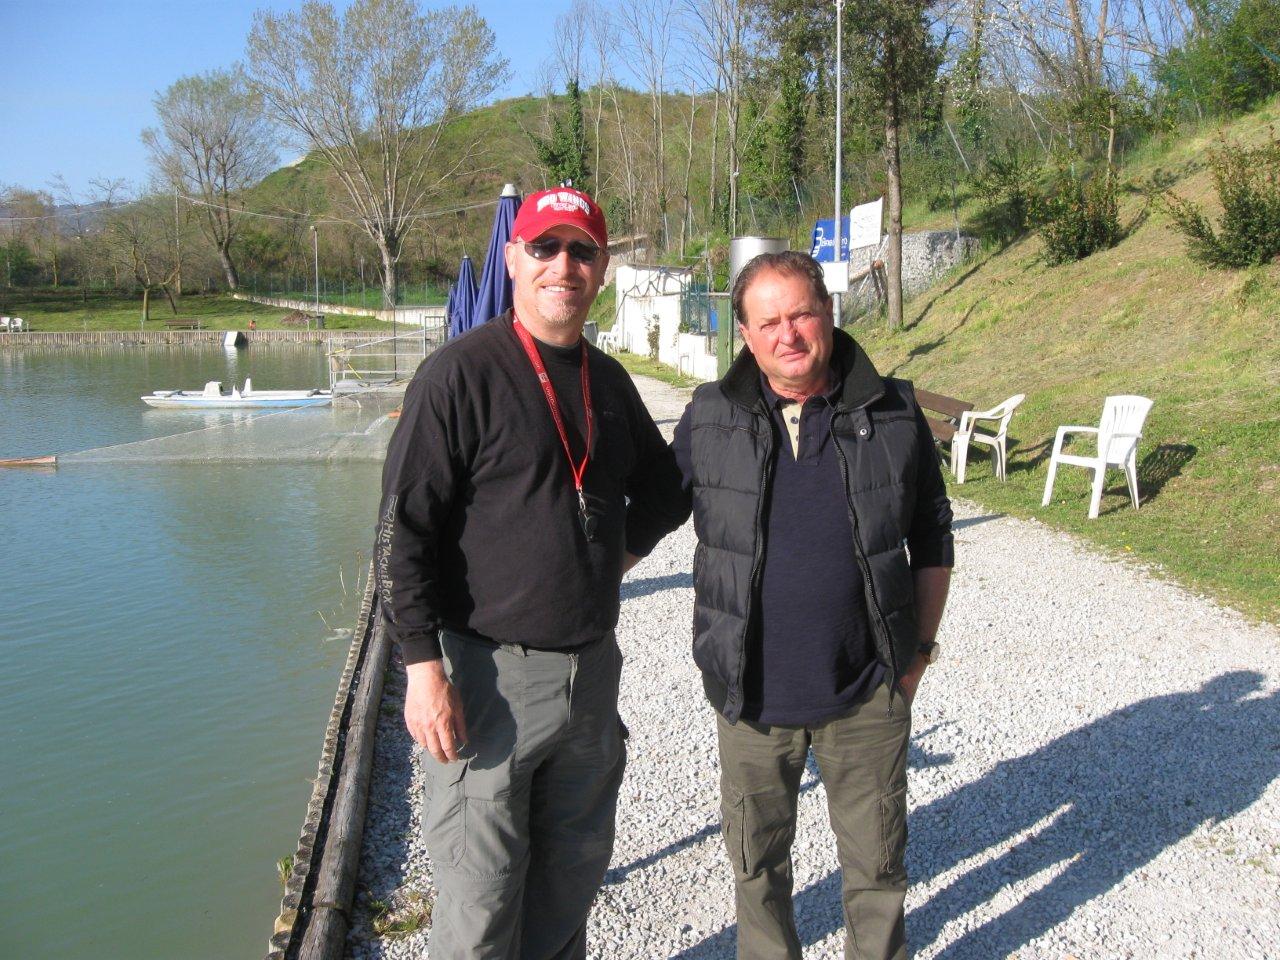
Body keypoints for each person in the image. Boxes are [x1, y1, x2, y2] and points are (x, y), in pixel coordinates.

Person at [374, 186, 686, 960]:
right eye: (545, 247)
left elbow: (667, 490)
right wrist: (422, 668)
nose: (563, 266)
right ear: (513, 258)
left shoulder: (608, 381)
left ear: (602, 269)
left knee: (566, 891)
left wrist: (605, 562)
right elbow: (400, 531)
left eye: (582, 251)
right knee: (481, 906)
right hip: (486, 679)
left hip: (591, 678)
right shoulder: (457, 376)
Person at [672, 250, 953, 960]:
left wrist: (918, 653)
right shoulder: (710, 416)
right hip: (751, 697)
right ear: (744, 333)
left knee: (877, 868)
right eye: (768, 322)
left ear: (828, 311)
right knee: (756, 868)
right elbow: (643, 514)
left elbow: (932, 534)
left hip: (866, 692)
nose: (787, 334)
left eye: (800, 314)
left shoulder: (894, 411)